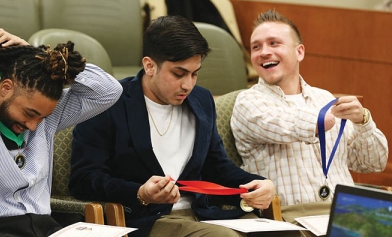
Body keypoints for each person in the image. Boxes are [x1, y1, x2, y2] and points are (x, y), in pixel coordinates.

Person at [68, 15, 276, 237]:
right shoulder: (109, 103)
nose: (188, 84)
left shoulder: (202, 100)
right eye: (179, 74)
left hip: (202, 214)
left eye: (195, 73)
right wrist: (140, 193)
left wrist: (257, 185)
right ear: (149, 66)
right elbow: (83, 179)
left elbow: (216, 167)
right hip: (147, 220)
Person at [0, 26, 122, 236]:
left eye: (42, 117)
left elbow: (108, 91)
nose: (34, 125)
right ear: (6, 88)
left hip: (44, 228)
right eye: (29, 114)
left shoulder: (46, 116)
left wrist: (36, 54)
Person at [231, 10, 388, 223]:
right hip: (290, 218)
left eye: (274, 43)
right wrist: (323, 120)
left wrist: (363, 121)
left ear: (300, 52)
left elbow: (372, 163)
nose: (264, 52)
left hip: (349, 212)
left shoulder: (324, 98)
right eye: (256, 47)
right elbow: (284, 125)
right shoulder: (248, 102)